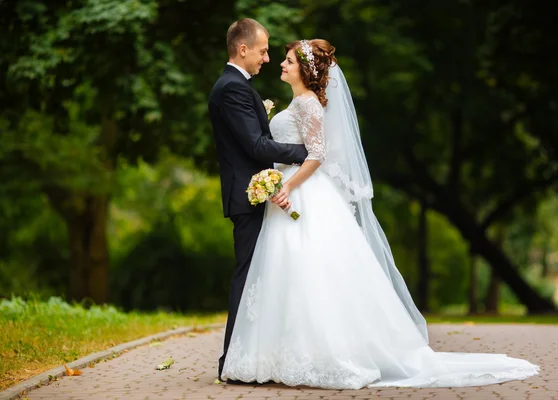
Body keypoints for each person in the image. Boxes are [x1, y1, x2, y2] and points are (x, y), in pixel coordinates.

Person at [220, 38, 540, 389]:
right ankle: (279, 355)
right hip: (289, 196)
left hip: (300, 194)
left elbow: (316, 154)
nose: (281, 64)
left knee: (307, 270)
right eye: (281, 58)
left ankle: (319, 354)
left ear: (306, 70)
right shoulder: (297, 102)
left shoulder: (308, 104)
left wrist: (288, 185)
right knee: (287, 272)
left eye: (289, 60)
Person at [208, 19, 308, 382]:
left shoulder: (237, 86)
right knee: (247, 277)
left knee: (258, 276)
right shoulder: (231, 89)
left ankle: (249, 357)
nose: (268, 58)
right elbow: (256, 146)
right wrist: (307, 152)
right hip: (246, 196)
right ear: (243, 48)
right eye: (264, 50)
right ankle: (231, 361)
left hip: (254, 192)